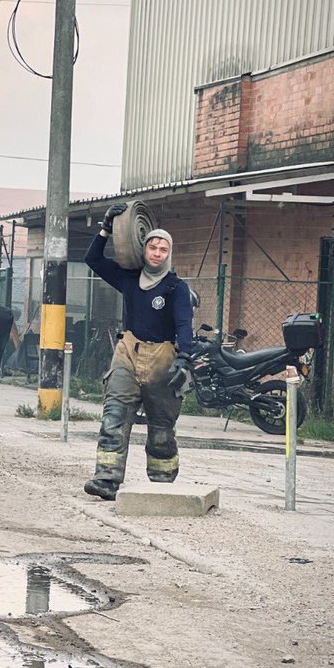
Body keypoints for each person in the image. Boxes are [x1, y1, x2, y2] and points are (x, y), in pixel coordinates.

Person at [82, 203, 192, 501]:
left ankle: (161, 483)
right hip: (128, 351)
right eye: (152, 247)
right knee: (114, 414)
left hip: (163, 358)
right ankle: (106, 479)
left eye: (163, 249)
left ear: (169, 254)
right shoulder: (129, 279)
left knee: (161, 427)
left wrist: (184, 359)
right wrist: (105, 229)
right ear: (143, 249)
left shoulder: (176, 288)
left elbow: (184, 325)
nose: (157, 253)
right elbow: (92, 259)